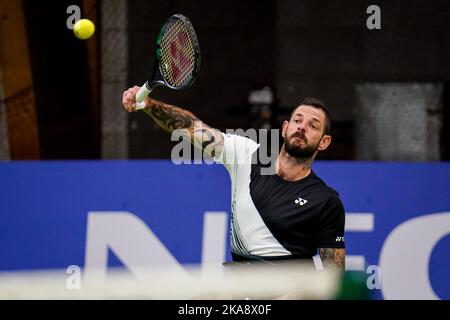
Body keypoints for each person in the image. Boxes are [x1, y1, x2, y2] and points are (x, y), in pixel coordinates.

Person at [122, 87, 345, 271]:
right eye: (297, 120)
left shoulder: (324, 200)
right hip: (241, 282)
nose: (302, 127)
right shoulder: (247, 154)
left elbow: (333, 275)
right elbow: (191, 127)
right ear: (285, 128)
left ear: (324, 142)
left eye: (313, 125)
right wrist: (149, 105)